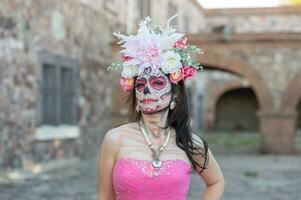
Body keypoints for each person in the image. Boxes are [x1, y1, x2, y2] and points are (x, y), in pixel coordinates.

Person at [98, 16, 225, 200]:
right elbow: (104, 197)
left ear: (174, 95)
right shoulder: (115, 139)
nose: (147, 90)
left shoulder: (190, 143)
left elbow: (216, 182)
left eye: (157, 83)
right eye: (140, 85)